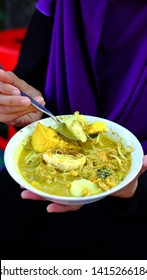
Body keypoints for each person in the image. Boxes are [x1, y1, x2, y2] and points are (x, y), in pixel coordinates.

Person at [0, 0, 147, 259]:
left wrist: (133, 188)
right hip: (37, 164)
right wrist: (22, 108)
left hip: (134, 203)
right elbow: (30, 85)